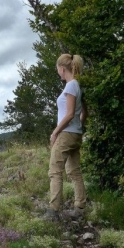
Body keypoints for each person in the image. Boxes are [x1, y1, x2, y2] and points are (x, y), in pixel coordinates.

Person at [46, 53, 87, 220]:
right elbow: (84, 112)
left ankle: (54, 211)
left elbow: (69, 114)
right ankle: (80, 207)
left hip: (67, 133)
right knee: (74, 171)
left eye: (58, 69)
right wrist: (79, 126)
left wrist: (55, 132)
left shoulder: (70, 86)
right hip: (76, 133)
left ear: (62, 69)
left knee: (55, 170)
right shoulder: (78, 86)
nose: (58, 72)